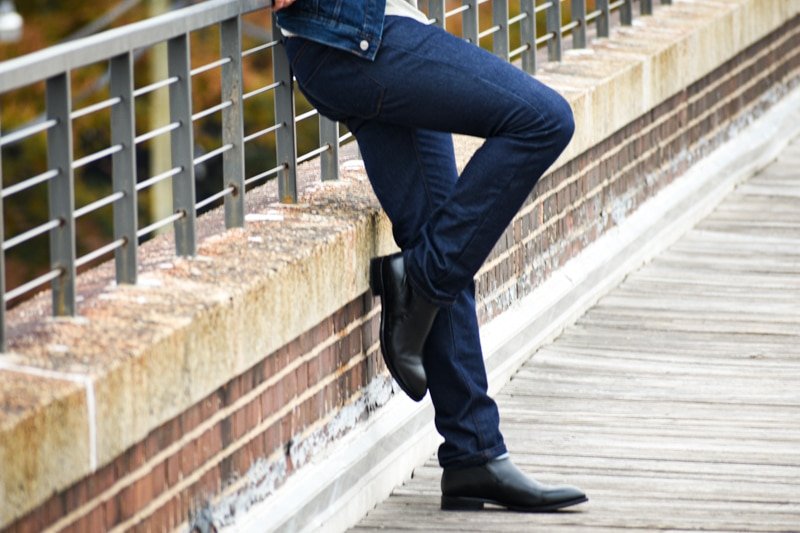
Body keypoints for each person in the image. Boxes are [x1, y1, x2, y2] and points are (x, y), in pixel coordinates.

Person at [274, 0, 587, 512]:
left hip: (368, 37)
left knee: (442, 233)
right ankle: (417, 284)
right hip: (357, 41)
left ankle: (472, 454)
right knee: (544, 119)